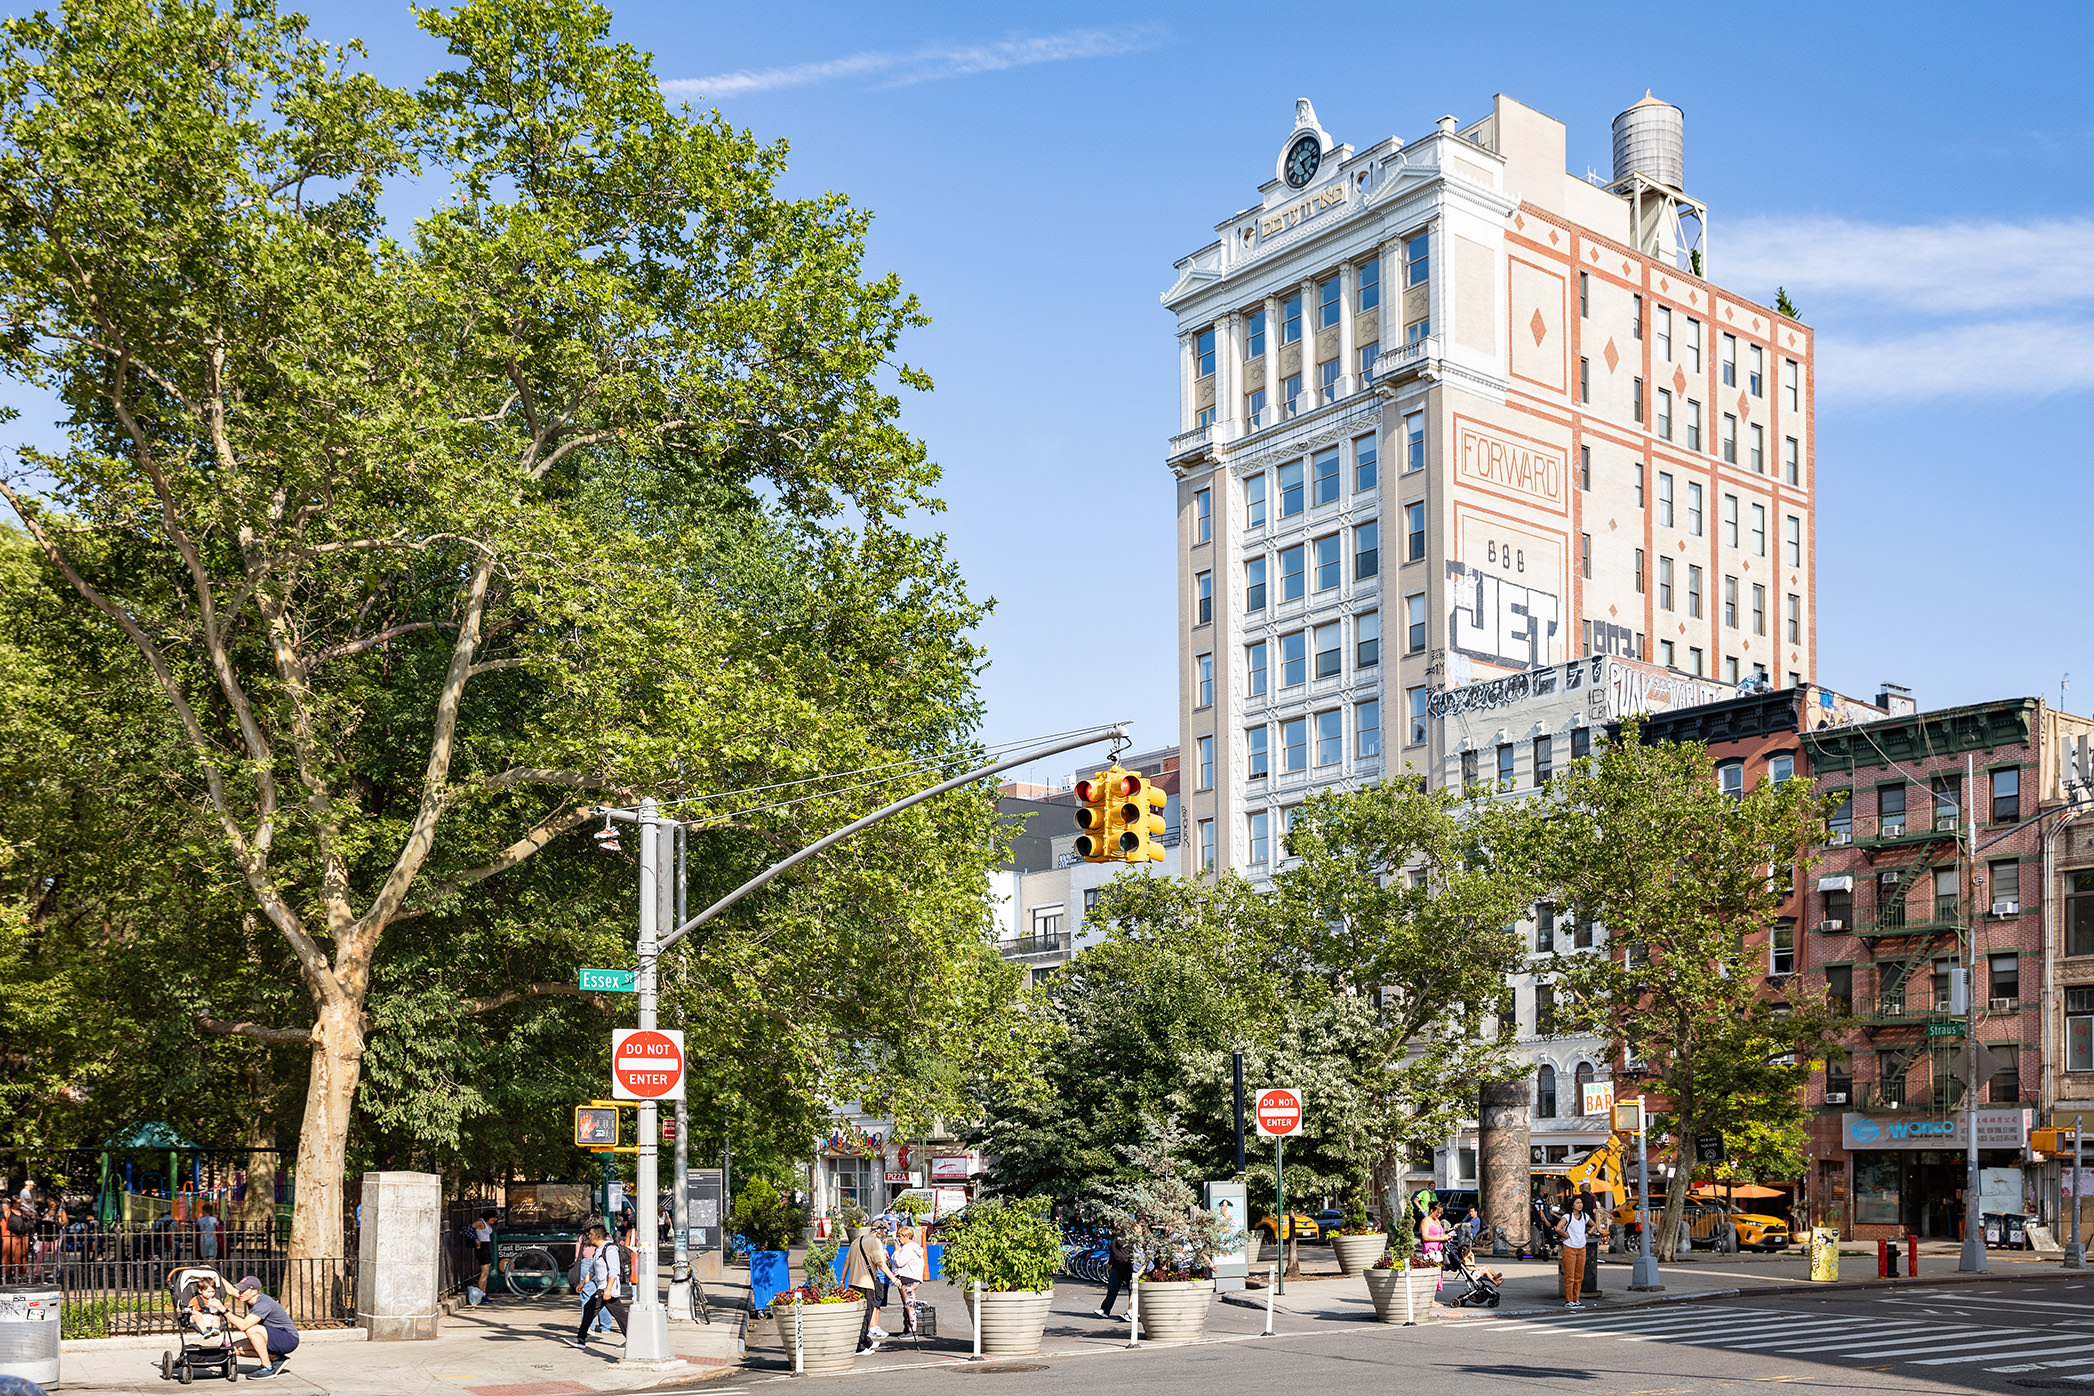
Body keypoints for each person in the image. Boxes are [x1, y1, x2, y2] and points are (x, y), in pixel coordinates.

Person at [230, 1276, 300, 1379]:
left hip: (287, 1339)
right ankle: (276, 1358)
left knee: (251, 1329)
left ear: (254, 1291)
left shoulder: (263, 1304)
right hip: (271, 1336)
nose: (240, 1292)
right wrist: (214, 1273)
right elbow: (231, 1290)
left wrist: (224, 1310)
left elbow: (243, 1325)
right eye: (240, 1289)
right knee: (232, 1349)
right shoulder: (249, 1297)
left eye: (243, 1290)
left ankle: (268, 1368)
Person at [844, 1219, 896, 1354]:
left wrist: (841, 1281)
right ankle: (860, 1347)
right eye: (884, 1232)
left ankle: (867, 1341)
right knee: (866, 1315)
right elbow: (880, 1263)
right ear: (879, 1231)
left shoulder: (856, 1241)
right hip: (866, 1283)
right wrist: (893, 1278)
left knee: (858, 1314)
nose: (885, 1235)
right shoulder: (875, 1242)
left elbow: (847, 1262)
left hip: (853, 1283)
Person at [573, 1224, 628, 1349]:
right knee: (621, 1316)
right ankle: (632, 1339)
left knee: (589, 1309)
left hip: (606, 1289)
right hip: (603, 1288)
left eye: (591, 1235)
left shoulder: (610, 1249)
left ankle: (580, 1339)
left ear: (598, 1236)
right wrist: (582, 1284)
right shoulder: (598, 1250)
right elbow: (592, 1270)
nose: (589, 1237)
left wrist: (608, 1289)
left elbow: (614, 1271)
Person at [1555, 1194, 1591, 1309]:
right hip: (1569, 1246)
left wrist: (1588, 1233)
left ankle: (1576, 1299)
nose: (1580, 1205)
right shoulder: (1567, 1216)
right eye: (1577, 1203)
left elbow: (1594, 1225)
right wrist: (1566, 1235)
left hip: (1581, 1247)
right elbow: (1558, 1228)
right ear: (1572, 1205)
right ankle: (1569, 1299)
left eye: (1581, 1203)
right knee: (1570, 1275)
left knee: (1579, 1275)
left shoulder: (1584, 1216)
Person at [890, 1225, 927, 1334]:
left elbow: (900, 1262)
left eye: (900, 1236)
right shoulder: (913, 1247)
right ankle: (908, 1327)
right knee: (908, 1303)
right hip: (912, 1277)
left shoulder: (908, 1248)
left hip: (907, 1278)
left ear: (906, 1236)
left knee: (909, 1304)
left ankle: (912, 1329)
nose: (899, 1239)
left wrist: (897, 1251)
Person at [1096, 1228, 1132, 1320]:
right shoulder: (1114, 1235)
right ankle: (1105, 1310)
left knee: (1132, 1289)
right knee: (1112, 1288)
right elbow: (1113, 1251)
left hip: (1127, 1266)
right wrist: (1110, 1262)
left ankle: (1131, 1311)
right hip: (1116, 1266)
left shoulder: (1128, 1235)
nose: (1115, 1224)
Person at [472, 1210, 498, 1297]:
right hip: (482, 1246)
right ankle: (480, 1293)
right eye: (492, 1220)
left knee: (486, 1273)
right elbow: (468, 1229)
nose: (493, 1222)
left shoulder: (486, 1224)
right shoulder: (480, 1222)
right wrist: (476, 1239)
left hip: (486, 1246)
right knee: (484, 1272)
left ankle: (483, 1293)